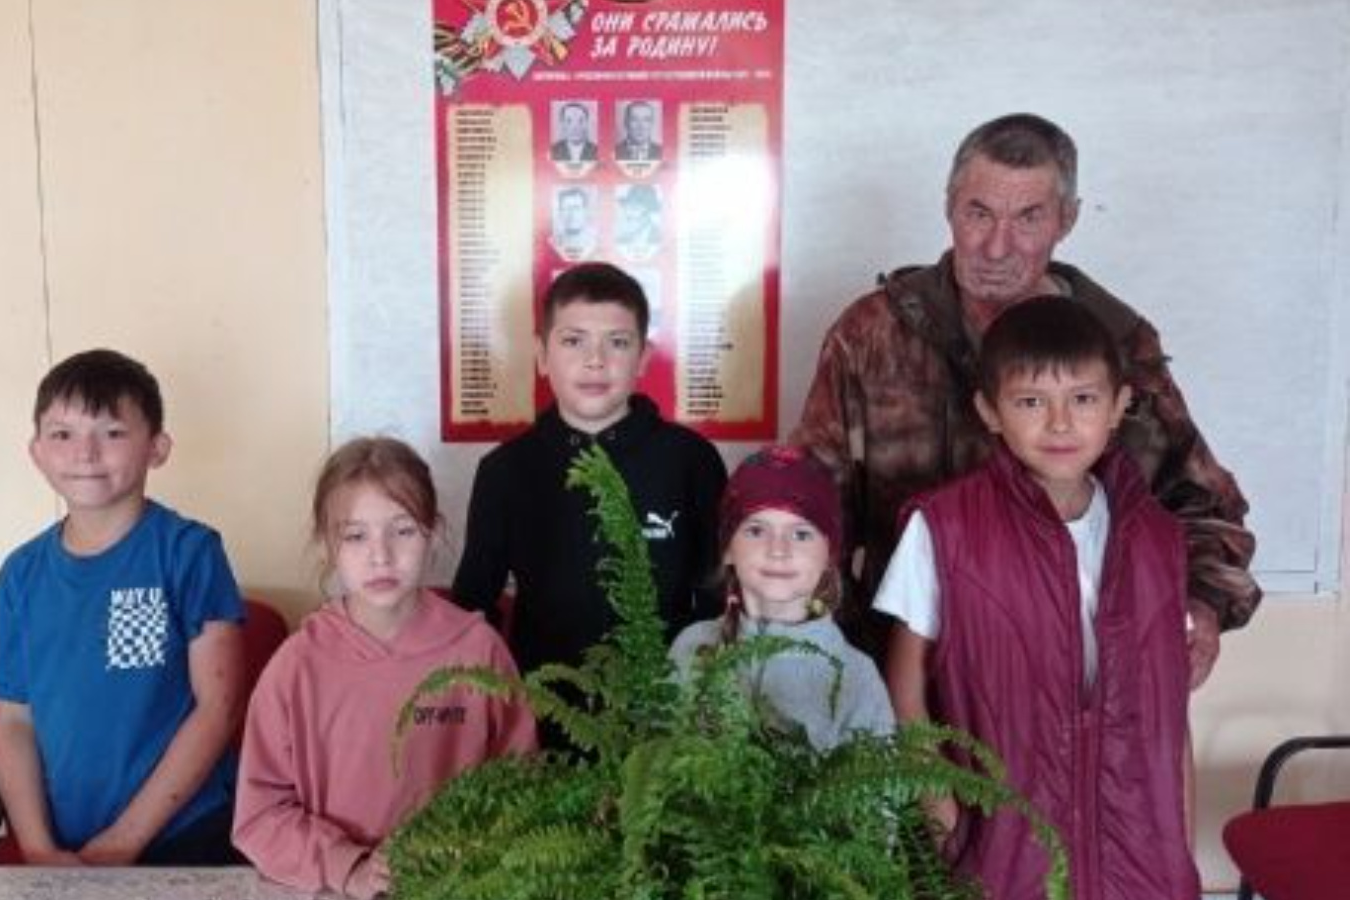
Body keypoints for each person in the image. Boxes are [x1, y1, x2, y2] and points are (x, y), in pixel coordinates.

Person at [789, 113, 1258, 685]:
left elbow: (1203, 507)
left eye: (1029, 218)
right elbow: (804, 505)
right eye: (978, 213)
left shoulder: (1117, 343)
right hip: (900, 675)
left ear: (1068, 219)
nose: (995, 247)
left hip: (1071, 682)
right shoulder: (872, 334)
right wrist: (826, 660)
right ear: (948, 207)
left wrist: (1202, 604)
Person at [877, 297, 1198, 900]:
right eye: (1031, 402)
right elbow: (905, 685)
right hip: (1003, 858)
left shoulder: (1158, 538)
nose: (1060, 424)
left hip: (1140, 863)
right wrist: (945, 819)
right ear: (990, 411)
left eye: (1083, 399)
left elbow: (1169, 711)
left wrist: (1177, 844)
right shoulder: (946, 527)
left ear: (1119, 406)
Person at [233, 438, 536, 899]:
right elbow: (259, 816)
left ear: (433, 532)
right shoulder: (296, 666)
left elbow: (526, 790)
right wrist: (348, 865)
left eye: (403, 531)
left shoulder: (480, 651)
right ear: (328, 544)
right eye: (355, 536)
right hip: (335, 890)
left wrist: (471, 849)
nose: (381, 555)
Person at [0, 349, 246, 865]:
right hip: (63, 845)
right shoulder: (20, 573)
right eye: (62, 434)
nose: (85, 453)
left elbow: (218, 707)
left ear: (157, 448)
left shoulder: (189, 552)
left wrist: (124, 841)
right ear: (36, 452)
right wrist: (37, 846)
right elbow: (13, 719)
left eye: (112, 432)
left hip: (184, 833)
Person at [454, 262, 727, 684]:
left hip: (667, 709)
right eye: (573, 341)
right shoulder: (504, 470)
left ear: (643, 357)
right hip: (544, 708)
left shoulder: (692, 460)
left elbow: (718, 597)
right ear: (542, 356)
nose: (595, 360)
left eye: (617, 342)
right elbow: (473, 608)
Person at [669, 446, 893, 750]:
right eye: (756, 530)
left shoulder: (857, 676)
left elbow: (881, 778)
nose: (778, 550)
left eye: (801, 534)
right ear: (728, 549)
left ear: (829, 555)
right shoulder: (691, 646)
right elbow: (652, 763)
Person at [615, 183, 663, 260]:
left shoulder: (654, 233)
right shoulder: (624, 229)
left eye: (636, 206)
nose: (628, 209)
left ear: (647, 209)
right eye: (629, 204)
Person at [550, 186, 596, 262]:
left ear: (585, 211)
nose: (572, 214)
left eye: (576, 208)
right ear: (560, 212)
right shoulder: (553, 242)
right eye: (566, 209)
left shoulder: (595, 240)